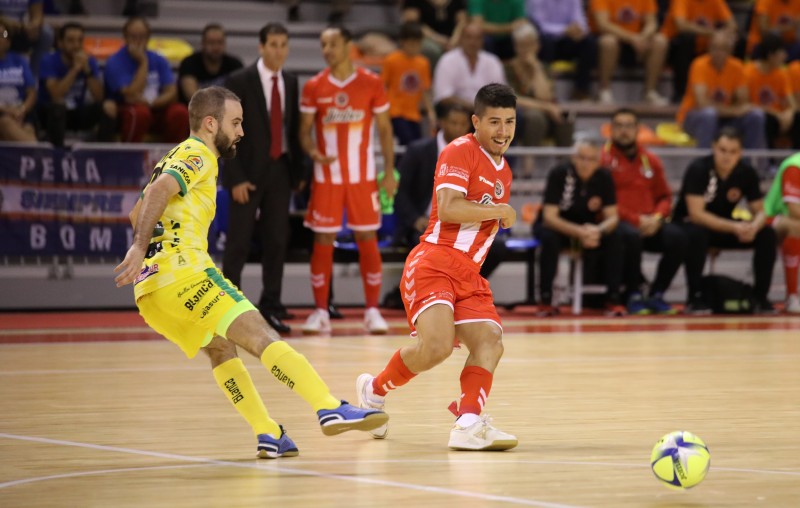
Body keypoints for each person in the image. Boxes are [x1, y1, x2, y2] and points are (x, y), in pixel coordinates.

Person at [113, 86, 388, 459]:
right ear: (211, 124)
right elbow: (160, 192)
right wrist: (139, 246)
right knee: (259, 335)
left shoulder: (172, 157)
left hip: (151, 293)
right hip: (186, 273)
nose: (241, 131)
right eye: (236, 122)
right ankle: (327, 406)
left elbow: (137, 211)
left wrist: (144, 247)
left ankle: (268, 433)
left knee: (221, 348)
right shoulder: (198, 153)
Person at [356, 83, 519, 450]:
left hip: (467, 273)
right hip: (434, 262)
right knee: (437, 347)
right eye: (494, 122)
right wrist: (499, 211)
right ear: (475, 122)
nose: (503, 131)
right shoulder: (459, 150)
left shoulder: (504, 170)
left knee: (491, 342)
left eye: (510, 122)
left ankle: (468, 422)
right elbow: (448, 207)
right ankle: (373, 390)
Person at [299, 26, 397, 335]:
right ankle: (320, 312)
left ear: (348, 45)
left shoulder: (371, 82)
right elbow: (303, 130)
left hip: (362, 178)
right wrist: (313, 150)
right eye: (323, 44)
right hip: (326, 178)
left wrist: (389, 172)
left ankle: (372, 311)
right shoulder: (314, 86)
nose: (327, 49)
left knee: (367, 238)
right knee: (323, 240)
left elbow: (384, 130)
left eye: (333, 43)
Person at [383, 100, 509, 308]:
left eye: (462, 124)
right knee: (428, 246)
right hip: (424, 226)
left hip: (463, 225)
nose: (458, 129)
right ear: (441, 122)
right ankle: (418, 295)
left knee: (497, 248)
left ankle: (459, 292)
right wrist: (415, 219)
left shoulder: (479, 156)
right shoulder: (418, 151)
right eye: (453, 123)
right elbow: (400, 193)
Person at [221, 23, 302, 335]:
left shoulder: (292, 82)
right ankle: (229, 307)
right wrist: (236, 176)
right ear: (261, 47)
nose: (278, 50)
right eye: (273, 44)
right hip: (247, 172)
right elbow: (227, 132)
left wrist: (299, 172)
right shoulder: (240, 80)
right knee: (239, 242)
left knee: (277, 241)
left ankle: (271, 305)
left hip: (280, 169)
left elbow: (291, 130)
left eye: (283, 44)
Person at [672, 127, 777, 314]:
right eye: (722, 150)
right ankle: (694, 297)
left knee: (767, 234)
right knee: (697, 234)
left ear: (741, 153)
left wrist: (753, 226)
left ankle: (760, 298)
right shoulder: (698, 169)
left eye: (733, 151)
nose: (727, 156)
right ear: (713, 148)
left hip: (726, 226)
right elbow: (696, 214)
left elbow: (761, 211)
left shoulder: (746, 172)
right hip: (689, 225)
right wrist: (735, 227)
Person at [602, 108, 687, 314]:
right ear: (611, 130)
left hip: (650, 223)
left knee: (679, 237)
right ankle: (633, 293)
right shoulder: (603, 161)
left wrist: (657, 218)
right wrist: (636, 220)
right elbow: (606, 202)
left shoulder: (652, 160)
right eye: (619, 126)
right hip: (620, 225)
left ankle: (656, 293)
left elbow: (664, 197)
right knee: (629, 235)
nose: (624, 131)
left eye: (629, 126)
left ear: (637, 129)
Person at [534, 136, 626, 316]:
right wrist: (578, 232)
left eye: (591, 159)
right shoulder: (559, 173)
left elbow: (612, 217)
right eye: (581, 158)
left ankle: (613, 298)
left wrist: (597, 231)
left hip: (588, 228)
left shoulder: (604, 177)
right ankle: (545, 299)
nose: (585, 163)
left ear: (598, 161)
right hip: (559, 227)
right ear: (573, 158)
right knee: (548, 238)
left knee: (617, 235)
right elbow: (549, 217)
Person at [104, 16, 189, 143]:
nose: (138, 41)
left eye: (142, 36)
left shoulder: (159, 59)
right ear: (125, 38)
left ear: (148, 38)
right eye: (133, 36)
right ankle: (130, 156)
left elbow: (171, 92)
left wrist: (152, 103)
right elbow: (130, 94)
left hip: (156, 106)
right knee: (140, 113)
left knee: (180, 112)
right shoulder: (115, 62)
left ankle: (173, 158)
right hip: (127, 109)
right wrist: (143, 62)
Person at [676, 31, 766, 150]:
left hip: (724, 119)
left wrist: (735, 110)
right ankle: (704, 162)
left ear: (730, 51)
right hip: (695, 117)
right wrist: (734, 111)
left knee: (756, 115)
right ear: (709, 48)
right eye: (714, 48)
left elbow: (743, 102)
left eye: (722, 49)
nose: (717, 53)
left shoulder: (737, 67)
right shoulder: (699, 65)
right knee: (709, 114)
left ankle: (751, 163)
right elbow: (702, 104)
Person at [38, 22, 116, 147]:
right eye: (71, 41)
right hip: (50, 114)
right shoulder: (49, 60)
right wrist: (74, 69)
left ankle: (103, 154)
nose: (76, 45)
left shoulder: (89, 61)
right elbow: (55, 94)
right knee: (58, 107)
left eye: (80, 41)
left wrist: (88, 72)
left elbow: (99, 96)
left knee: (109, 106)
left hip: (76, 112)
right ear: (60, 43)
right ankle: (57, 154)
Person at [504, 21, 574, 148]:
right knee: (535, 117)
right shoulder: (508, 68)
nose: (526, 50)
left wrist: (536, 68)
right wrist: (547, 108)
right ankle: (529, 162)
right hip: (519, 113)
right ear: (515, 47)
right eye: (522, 45)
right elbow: (512, 99)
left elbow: (545, 96)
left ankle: (564, 161)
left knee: (566, 117)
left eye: (529, 45)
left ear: (537, 46)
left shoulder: (543, 68)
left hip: (544, 111)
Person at [590, 0, 669, 105]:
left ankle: (650, 92)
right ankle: (604, 90)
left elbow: (652, 22)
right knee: (608, 42)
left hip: (637, 43)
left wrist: (642, 37)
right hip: (612, 40)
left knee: (660, 41)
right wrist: (632, 38)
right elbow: (603, 25)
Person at [661, 0, 736, 103]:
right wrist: (712, 33)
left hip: (704, 47)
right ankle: (680, 93)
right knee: (686, 40)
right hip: (675, 47)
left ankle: (732, 95)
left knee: (733, 40)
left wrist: (722, 35)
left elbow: (732, 25)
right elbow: (681, 26)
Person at [526, 0, 597, 101]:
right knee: (544, 42)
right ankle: (547, 87)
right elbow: (539, 25)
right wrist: (565, 30)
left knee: (588, 42)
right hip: (546, 40)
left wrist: (579, 30)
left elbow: (581, 22)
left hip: (567, 41)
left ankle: (581, 90)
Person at [381, 22, 435, 146]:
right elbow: (383, 85)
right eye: (411, 44)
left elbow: (424, 90)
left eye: (417, 44)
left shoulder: (423, 63)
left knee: (416, 144)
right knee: (408, 141)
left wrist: (430, 112)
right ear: (402, 42)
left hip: (414, 113)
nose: (414, 47)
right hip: (395, 111)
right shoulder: (391, 60)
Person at [744, 33, 800, 150]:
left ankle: (796, 158)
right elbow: (746, 105)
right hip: (759, 116)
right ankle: (767, 162)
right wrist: (776, 114)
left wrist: (789, 113)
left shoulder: (782, 73)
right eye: (781, 53)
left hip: (780, 118)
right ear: (771, 55)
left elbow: (792, 104)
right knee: (766, 119)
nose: (785, 56)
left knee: (797, 117)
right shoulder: (748, 72)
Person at [433, 21, 506, 109]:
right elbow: (444, 97)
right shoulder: (447, 60)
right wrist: (473, 107)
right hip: (457, 110)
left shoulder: (493, 61)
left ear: (482, 41)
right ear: (461, 39)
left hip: (487, 111)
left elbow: (500, 94)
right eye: (469, 37)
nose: (473, 42)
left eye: (477, 38)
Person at [764, 152, 800, 313]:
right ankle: (792, 296)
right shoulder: (795, 165)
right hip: (770, 218)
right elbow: (794, 210)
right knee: (796, 226)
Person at [178, 23, 243, 104]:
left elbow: (239, 95)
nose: (216, 47)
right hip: (195, 112)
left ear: (225, 43)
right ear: (203, 43)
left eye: (219, 42)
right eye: (211, 42)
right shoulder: (189, 63)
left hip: (225, 111)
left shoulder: (235, 64)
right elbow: (192, 97)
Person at [401, 0, 468, 68]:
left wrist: (454, 40)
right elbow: (413, 22)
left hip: (452, 38)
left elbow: (462, 22)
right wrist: (437, 38)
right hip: (426, 37)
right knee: (432, 50)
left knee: (468, 45)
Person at [0, 19, 36, 141]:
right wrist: (8, 110)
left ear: (8, 42)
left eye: (2, 35)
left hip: (19, 111)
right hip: (3, 112)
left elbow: (31, 91)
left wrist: (22, 109)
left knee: (28, 128)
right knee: (6, 123)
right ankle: (39, 155)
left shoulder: (19, 60)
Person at [0, 0, 54, 79]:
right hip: (3, 29)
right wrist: (12, 24)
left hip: (19, 29)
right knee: (3, 34)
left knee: (46, 33)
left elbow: (37, 15)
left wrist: (34, 26)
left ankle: (34, 77)